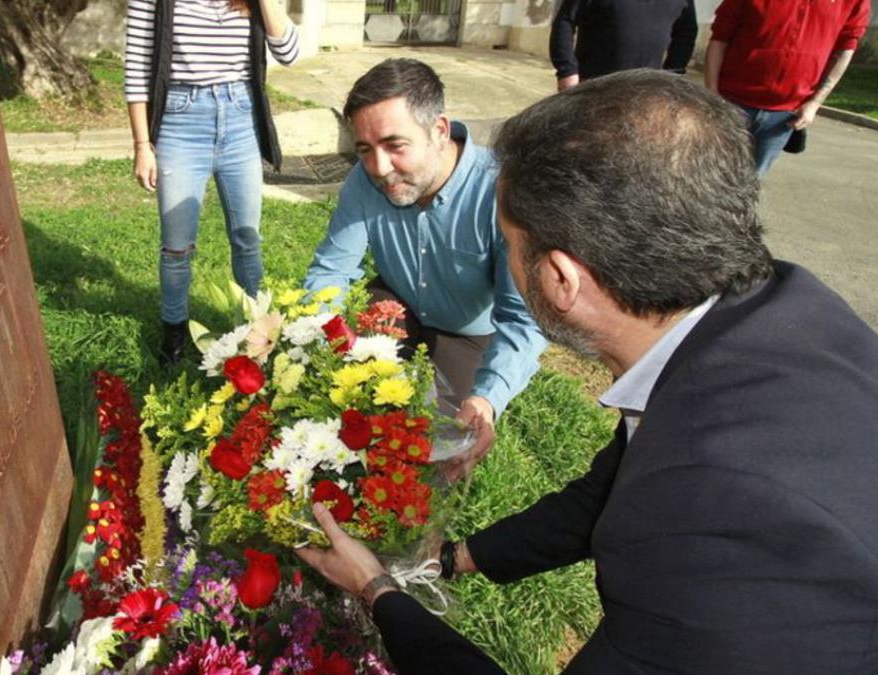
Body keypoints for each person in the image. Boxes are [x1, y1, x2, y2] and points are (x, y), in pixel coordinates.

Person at [296, 70, 878, 674]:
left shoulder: (707, 536)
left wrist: (377, 591)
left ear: (560, 279)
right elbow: (610, 489)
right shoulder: (780, 312)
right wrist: (457, 557)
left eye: (507, 244)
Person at [302, 59, 547, 477]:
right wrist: (307, 338)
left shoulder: (504, 190)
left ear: (439, 130)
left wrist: (487, 398)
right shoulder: (365, 182)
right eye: (364, 150)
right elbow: (331, 272)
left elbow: (522, 319)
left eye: (395, 145)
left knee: (439, 449)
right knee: (358, 417)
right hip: (393, 307)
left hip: (468, 334)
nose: (379, 168)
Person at [124, 0, 300, 365]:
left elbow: (289, 52)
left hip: (240, 119)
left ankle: (258, 329)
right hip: (180, 121)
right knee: (176, 246)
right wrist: (143, 145)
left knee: (247, 236)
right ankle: (174, 332)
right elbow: (138, 67)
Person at [705, 0, 871, 175]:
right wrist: (712, 94)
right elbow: (719, 40)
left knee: (751, 183)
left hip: (784, 115)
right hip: (731, 104)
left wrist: (815, 103)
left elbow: (845, 49)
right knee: (707, 179)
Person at [549, 0, 697, 92]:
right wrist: (567, 71)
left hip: (646, 90)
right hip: (592, 87)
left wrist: (672, 76)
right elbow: (565, 21)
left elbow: (687, 31)